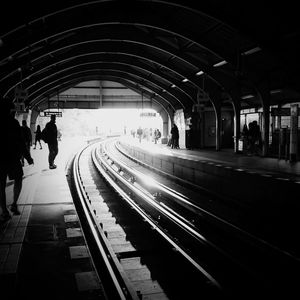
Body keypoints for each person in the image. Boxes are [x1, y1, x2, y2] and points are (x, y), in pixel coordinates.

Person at [0, 98, 34, 222]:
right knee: (18, 178)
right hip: (12, 157)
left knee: (1, 185)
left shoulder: (12, 122)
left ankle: (4, 210)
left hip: (3, 158)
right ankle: (13, 204)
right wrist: (28, 157)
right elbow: (20, 142)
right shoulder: (13, 123)